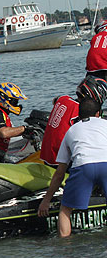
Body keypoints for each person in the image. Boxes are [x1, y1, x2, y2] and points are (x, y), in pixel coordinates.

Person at [37, 99, 107, 237]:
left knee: (65, 210)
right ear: (98, 113)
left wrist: (46, 201)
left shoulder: (71, 131)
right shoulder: (105, 124)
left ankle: (65, 248)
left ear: (79, 115)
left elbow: (59, 173)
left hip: (83, 166)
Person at [40, 76, 107, 165]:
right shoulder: (80, 111)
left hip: (47, 156)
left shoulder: (63, 99)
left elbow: (55, 100)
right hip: (61, 162)